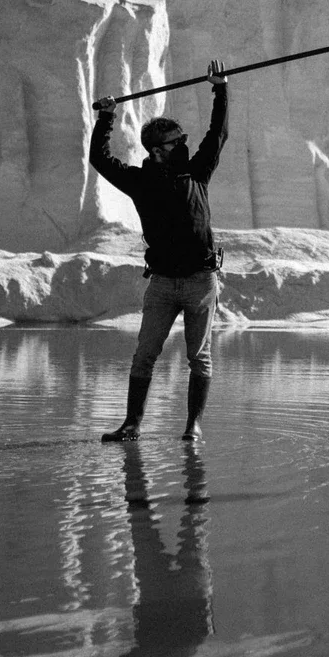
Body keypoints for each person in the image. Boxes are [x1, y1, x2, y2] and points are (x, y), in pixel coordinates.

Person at [90, 60, 229, 442]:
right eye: (176, 142)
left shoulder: (197, 172)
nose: (185, 145)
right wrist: (107, 117)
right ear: (156, 151)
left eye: (184, 140)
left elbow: (218, 135)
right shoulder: (140, 182)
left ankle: (192, 427)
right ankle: (132, 424)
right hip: (164, 283)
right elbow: (100, 160)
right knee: (144, 355)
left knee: (198, 358)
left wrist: (221, 89)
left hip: (201, 280)